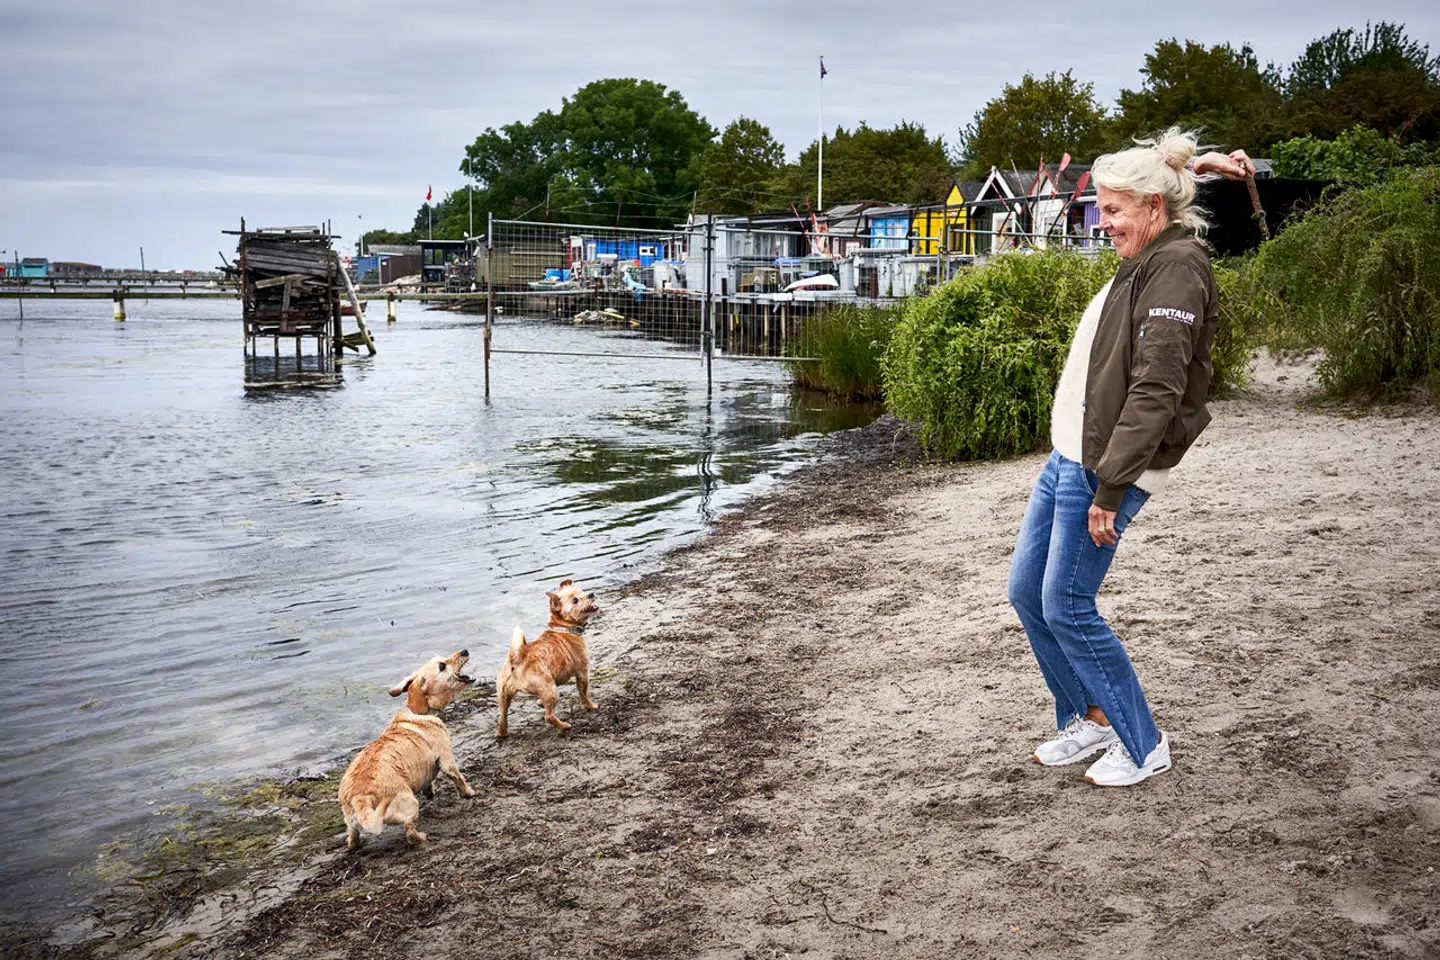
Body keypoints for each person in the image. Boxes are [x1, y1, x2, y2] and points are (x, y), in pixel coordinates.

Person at [1007, 129, 1256, 787]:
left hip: (1104, 465)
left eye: (1114, 209)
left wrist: (1110, 489)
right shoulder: (1153, 244)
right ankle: (1090, 719)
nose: (1103, 220)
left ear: (1152, 207)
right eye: (1101, 206)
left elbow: (1157, 388)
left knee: (1067, 603)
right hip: (1072, 453)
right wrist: (1194, 163)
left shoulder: (1177, 266)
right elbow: (1164, 170)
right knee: (1028, 594)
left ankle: (1143, 743)